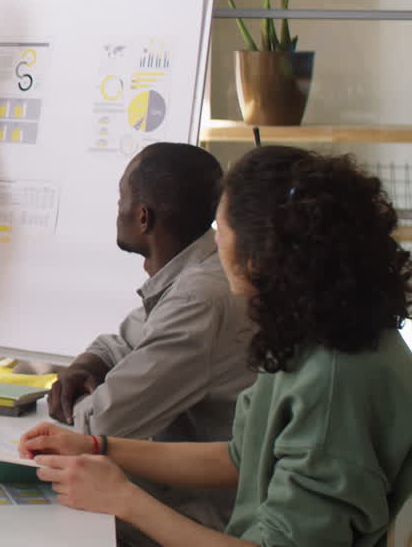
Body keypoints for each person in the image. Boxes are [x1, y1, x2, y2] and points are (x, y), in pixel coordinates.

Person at [21, 146, 412, 547]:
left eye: (220, 231)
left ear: (258, 254)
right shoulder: (314, 333)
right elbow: (240, 456)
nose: (214, 243)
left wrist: (124, 499)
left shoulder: (334, 382)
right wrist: (97, 446)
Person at [44, 143, 255, 537]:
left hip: (198, 515)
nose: (117, 209)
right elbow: (119, 343)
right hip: (170, 490)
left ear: (143, 217)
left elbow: (105, 421)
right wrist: (84, 368)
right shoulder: (195, 272)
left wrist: (75, 402)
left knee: (38, 515)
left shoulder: (201, 296)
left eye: (121, 198)